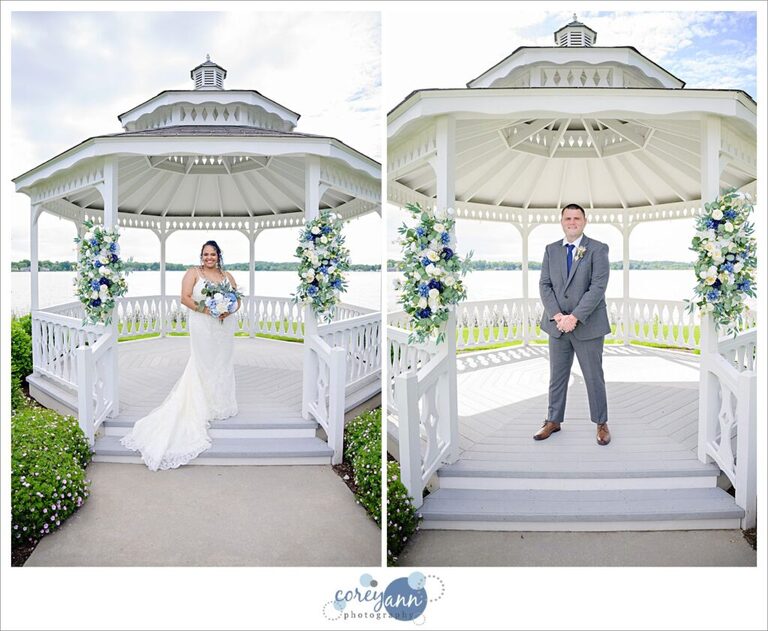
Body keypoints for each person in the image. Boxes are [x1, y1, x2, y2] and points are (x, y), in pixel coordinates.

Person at [121, 240, 241, 470]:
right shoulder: (193, 273)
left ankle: (221, 403)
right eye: (206, 254)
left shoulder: (227, 275)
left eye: (213, 254)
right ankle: (203, 403)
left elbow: (238, 300)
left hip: (224, 327)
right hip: (202, 325)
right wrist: (208, 310)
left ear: (218, 256)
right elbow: (185, 298)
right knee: (203, 362)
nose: (209, 258)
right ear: (201, 256)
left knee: (222, 362)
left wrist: (228, 310)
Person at [534, 203, 612, 446]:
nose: (572, 222)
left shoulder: (598, 249)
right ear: (562, 221)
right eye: (568, 218)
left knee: (593, 377)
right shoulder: (551, 250)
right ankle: (553, 420)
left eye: (577, 218)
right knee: (557, 376)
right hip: (557, 326)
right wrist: (558, 316)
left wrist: (574, 317)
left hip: (587, 325)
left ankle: (601, 423)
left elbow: (598, 287)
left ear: (584, 221)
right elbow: (544, 285)